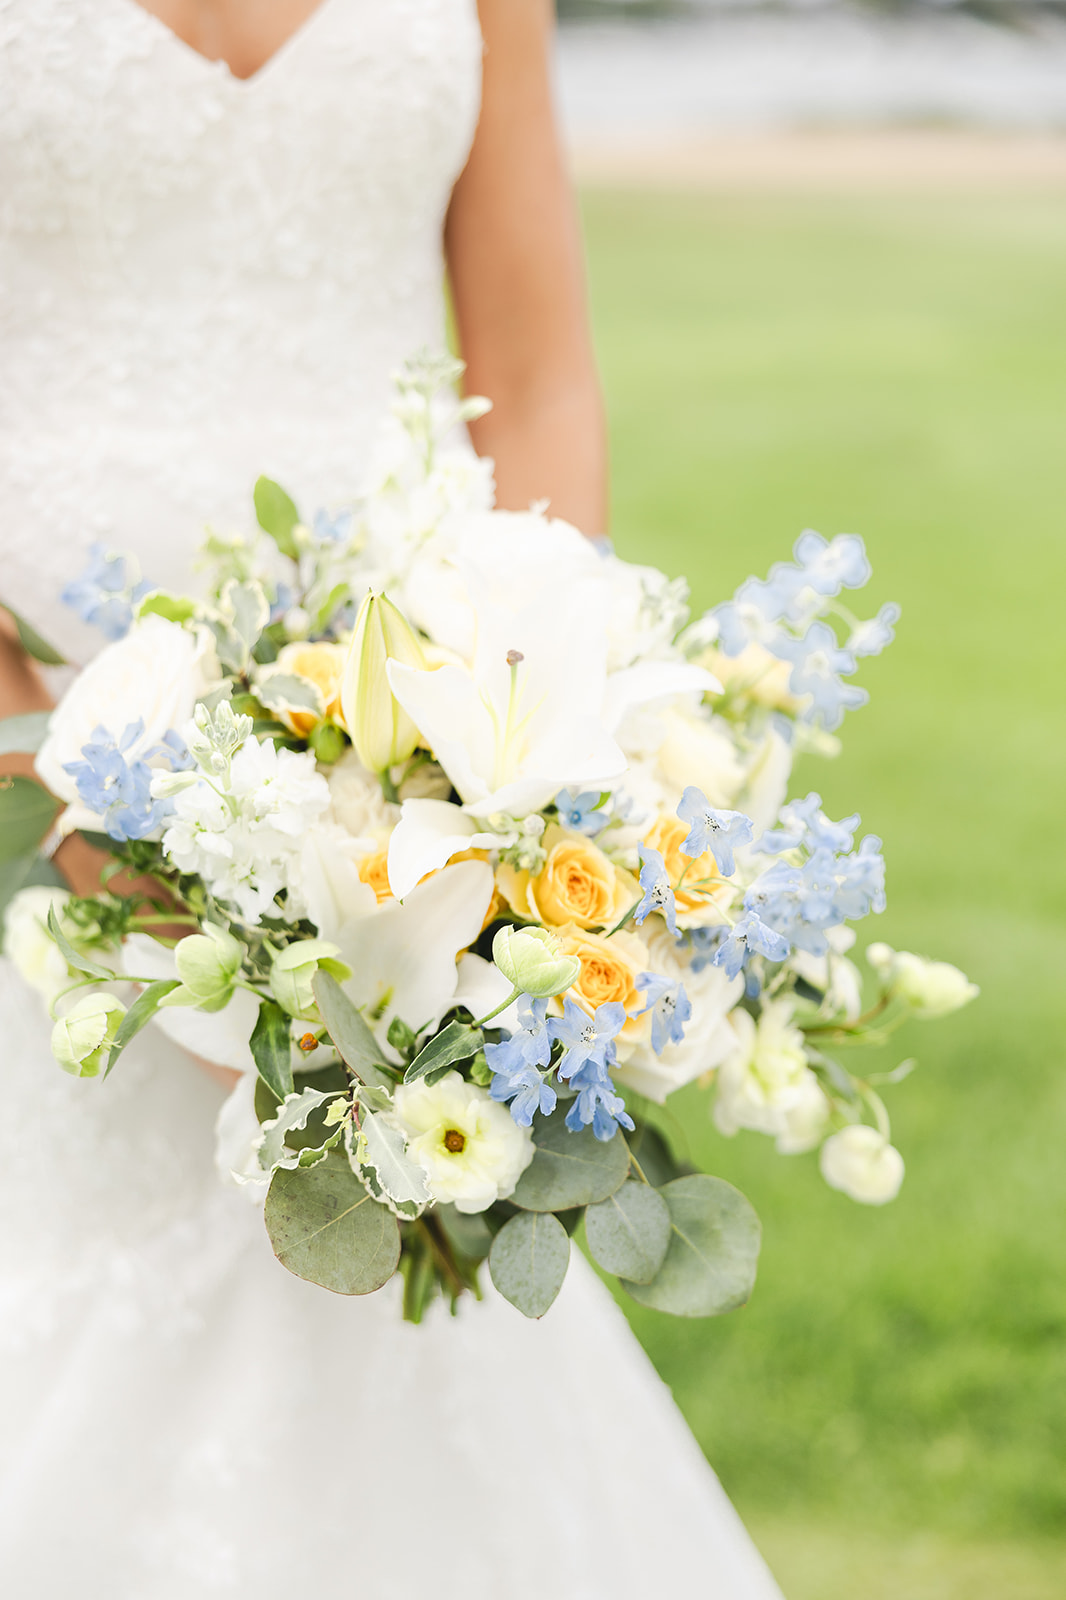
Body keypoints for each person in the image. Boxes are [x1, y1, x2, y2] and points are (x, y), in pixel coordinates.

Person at [0, 3, 785, 1594]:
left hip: (414, 759)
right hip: (37, 744)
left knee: (390, 1271)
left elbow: (538, 371)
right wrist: (43, 779)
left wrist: (537, 738)